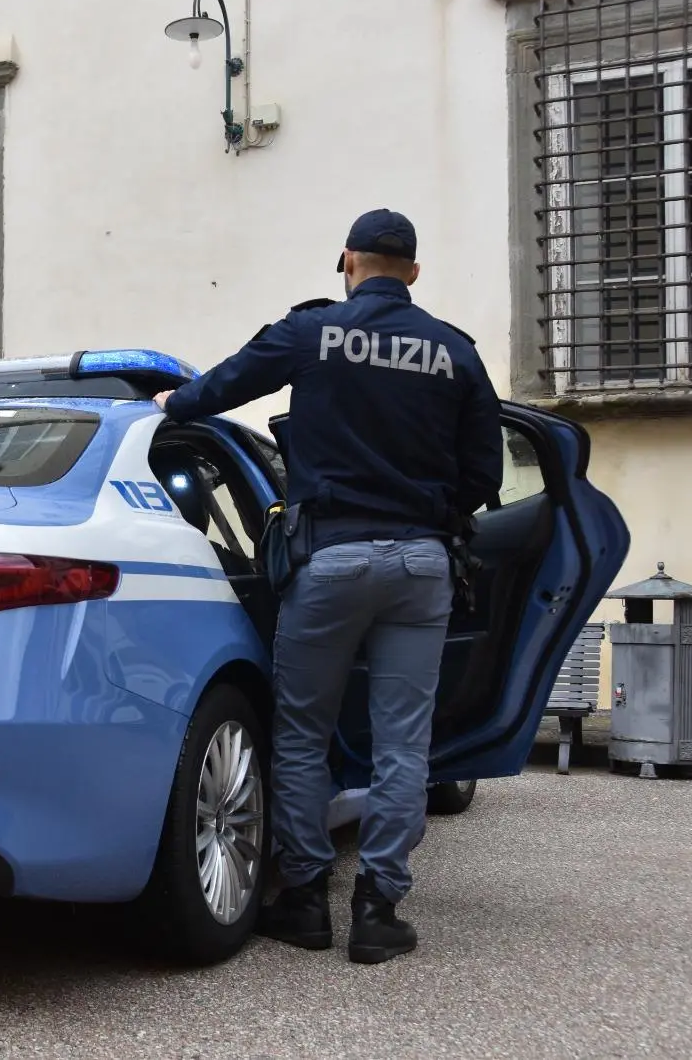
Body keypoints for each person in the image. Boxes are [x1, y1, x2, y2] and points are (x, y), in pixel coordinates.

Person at [153, 209, 503, 964]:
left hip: (332, 558)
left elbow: (224, 384)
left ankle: (306, 899)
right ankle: (379, 909)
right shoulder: (455, 353)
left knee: (302, 731)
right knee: (404, 740)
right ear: (412, 270)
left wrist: (164, 408)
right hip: (421, 566)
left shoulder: (311, 333)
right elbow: (484, 475)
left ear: (346, 261)